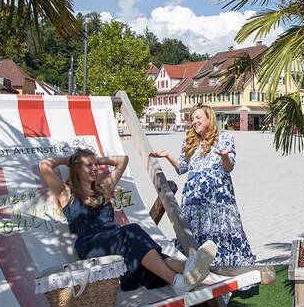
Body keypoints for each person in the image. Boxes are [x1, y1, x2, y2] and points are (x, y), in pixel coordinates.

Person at [39, 149, 217, 295]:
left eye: (95, 165)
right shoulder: (67, 193)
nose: (94, 168)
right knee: (131, 232)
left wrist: (96, 160)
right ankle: (178, 280)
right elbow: (45, 165)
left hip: (116, 240)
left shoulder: (103, 189)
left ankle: (193, 270)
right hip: (92, 244)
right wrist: (70, 159)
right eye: (88, 165)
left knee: (150, 256)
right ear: (76, 169)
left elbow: (123, 160)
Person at [151, 104, 255, 270]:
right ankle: (197, 275)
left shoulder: (225, 138)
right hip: (193, 202)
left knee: (219, 239)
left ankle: (225, 278)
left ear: (209, 118)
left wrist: (225, 156)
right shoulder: (190, 141)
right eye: (192, 119)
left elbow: (228, 168)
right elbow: (182, 168)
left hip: (218, 202)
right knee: (194, 240)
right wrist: (167, 156)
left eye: (198, 118)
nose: (194, 122)